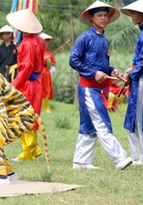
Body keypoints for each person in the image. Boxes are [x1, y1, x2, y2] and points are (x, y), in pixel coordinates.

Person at [69, 1, 132, 170]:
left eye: (105, 15)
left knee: (89, 126)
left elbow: (103, 65)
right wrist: (92, 73)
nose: (103, 18)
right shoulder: (85, 38)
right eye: (99, 15)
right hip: (88, 88)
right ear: (91, 17)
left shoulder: (104, 40)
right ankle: (120, 158)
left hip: (98, 89)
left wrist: (113, 70)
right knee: (103, 122)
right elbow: (73, 60)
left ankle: (81, 162)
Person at [6, 8, 43, 162]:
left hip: (28, 83)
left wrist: (14, 85)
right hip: (36, 83)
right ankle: (34, 149)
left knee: (24, 116)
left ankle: (28, 153)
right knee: (31, 115)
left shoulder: (27, 43)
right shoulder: (39, 40)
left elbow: (27, 67)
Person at [121, 1, 143, 166]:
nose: (132, 16)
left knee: (140, 116)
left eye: (134, 13)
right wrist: (131, 69)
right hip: (138, 77)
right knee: (134, 116)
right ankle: (137, 155)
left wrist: (131, 74)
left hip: (141, 78)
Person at [39, 32, 56, 114]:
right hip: (38, 72)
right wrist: (43, 58)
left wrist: (50, 62)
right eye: (44, 40)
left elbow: (54, 63)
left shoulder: (49, 53)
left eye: (47, 41)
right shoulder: (37, 51)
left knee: (46, 89)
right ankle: (37, 106)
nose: (46, 42)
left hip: (46, 72)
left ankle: (46, 107)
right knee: (38, 89)